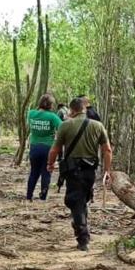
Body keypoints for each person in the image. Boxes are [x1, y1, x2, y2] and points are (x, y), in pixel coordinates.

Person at [47, 96, 113, 252]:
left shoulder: (65, 125)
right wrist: (107, 171)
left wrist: (50, 164)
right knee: (81, 199)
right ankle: (80, 223)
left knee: (74, 200)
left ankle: (82, 236)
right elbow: (107, 150)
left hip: (72, 170)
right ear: (85, 109)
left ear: (72, 110)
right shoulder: (98, 126)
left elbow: (55, 149)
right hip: (90, 170)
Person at [25, 94, 63, 201]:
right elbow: (62, 127)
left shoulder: (31, 113)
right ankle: (43, 197)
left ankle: (29, 196)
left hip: (34, 147)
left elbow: (29, 124)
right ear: (51, 105)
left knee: (34, 172)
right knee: (46, 172)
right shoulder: (52, 116)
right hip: (48, 148)